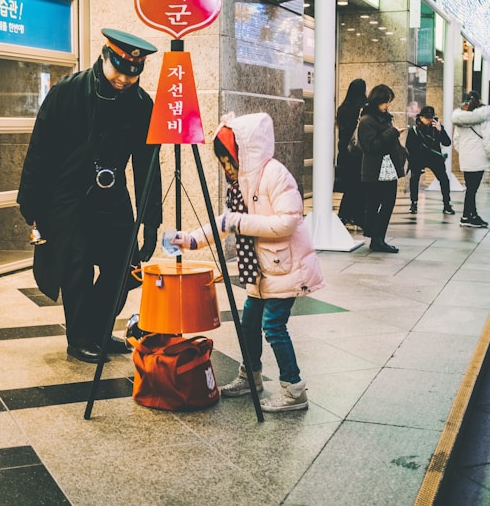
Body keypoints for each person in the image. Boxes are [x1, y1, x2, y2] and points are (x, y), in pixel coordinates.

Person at [17, 28, 163, 363]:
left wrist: (150, 221)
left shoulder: (142, 104)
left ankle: (97, 329)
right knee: (76, 269)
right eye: (120, 71)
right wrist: (34, 207)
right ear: (105, 56)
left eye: (134, 74)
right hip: (68, 198)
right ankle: (80, 338)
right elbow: (40, 151)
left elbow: (147, 165)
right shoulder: (67, 91)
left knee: (124, 268)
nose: (126, 80)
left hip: (112, 200)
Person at [172, 112, 324, 412]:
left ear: (245, 151)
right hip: (259, 271)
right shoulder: (241, 182)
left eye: (228, 160)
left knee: (273, 327)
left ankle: (294, 391)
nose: (225, 168)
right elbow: (225, 222)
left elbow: (288, 222)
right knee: (249, 324)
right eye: (222, 162)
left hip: (285, 268)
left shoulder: (275, 175)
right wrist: (191, 240)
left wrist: (240, 222)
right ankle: (251, 377)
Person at [358, 84, 407, 253]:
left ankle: (378, 238)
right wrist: (392, 133)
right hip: (375, 170)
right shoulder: (366, 121)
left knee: (388, 203)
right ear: (376, 101)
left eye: (389, 102)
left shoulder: (385, 118)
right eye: (385, 102)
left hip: (388, 169)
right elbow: (372, 146)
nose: (387, 105)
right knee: (375, 204)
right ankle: (376, 239)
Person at [405, 105, 454, 215]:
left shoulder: (437, 127)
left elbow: (447, 142)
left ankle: (447, 204)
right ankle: (414, 203)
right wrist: (412, 161)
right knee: (414, 179)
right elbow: (409, 147)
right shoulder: (413, 130)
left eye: (431, 117)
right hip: (418, 159)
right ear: (420, 117)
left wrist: (440, 130)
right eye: (426, 117)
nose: (429, 119)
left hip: (435, 159)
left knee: (444, 179)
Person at [452, 90, 490, 228]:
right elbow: (488, 141)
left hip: (466, 158)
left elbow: (456, 140)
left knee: (470, 189)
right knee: (472, 189)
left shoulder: (460, 120)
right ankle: (467, 216)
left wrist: (463, 152)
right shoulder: (484, 119)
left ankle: (471, 214)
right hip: (479, 159)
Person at [335, 78, 368, 228]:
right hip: (358, 153)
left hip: (344, 152)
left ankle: (345, 215)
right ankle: (354, 216)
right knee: (359, 186)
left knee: (350, 186)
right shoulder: (363, 107)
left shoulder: (342, 108)